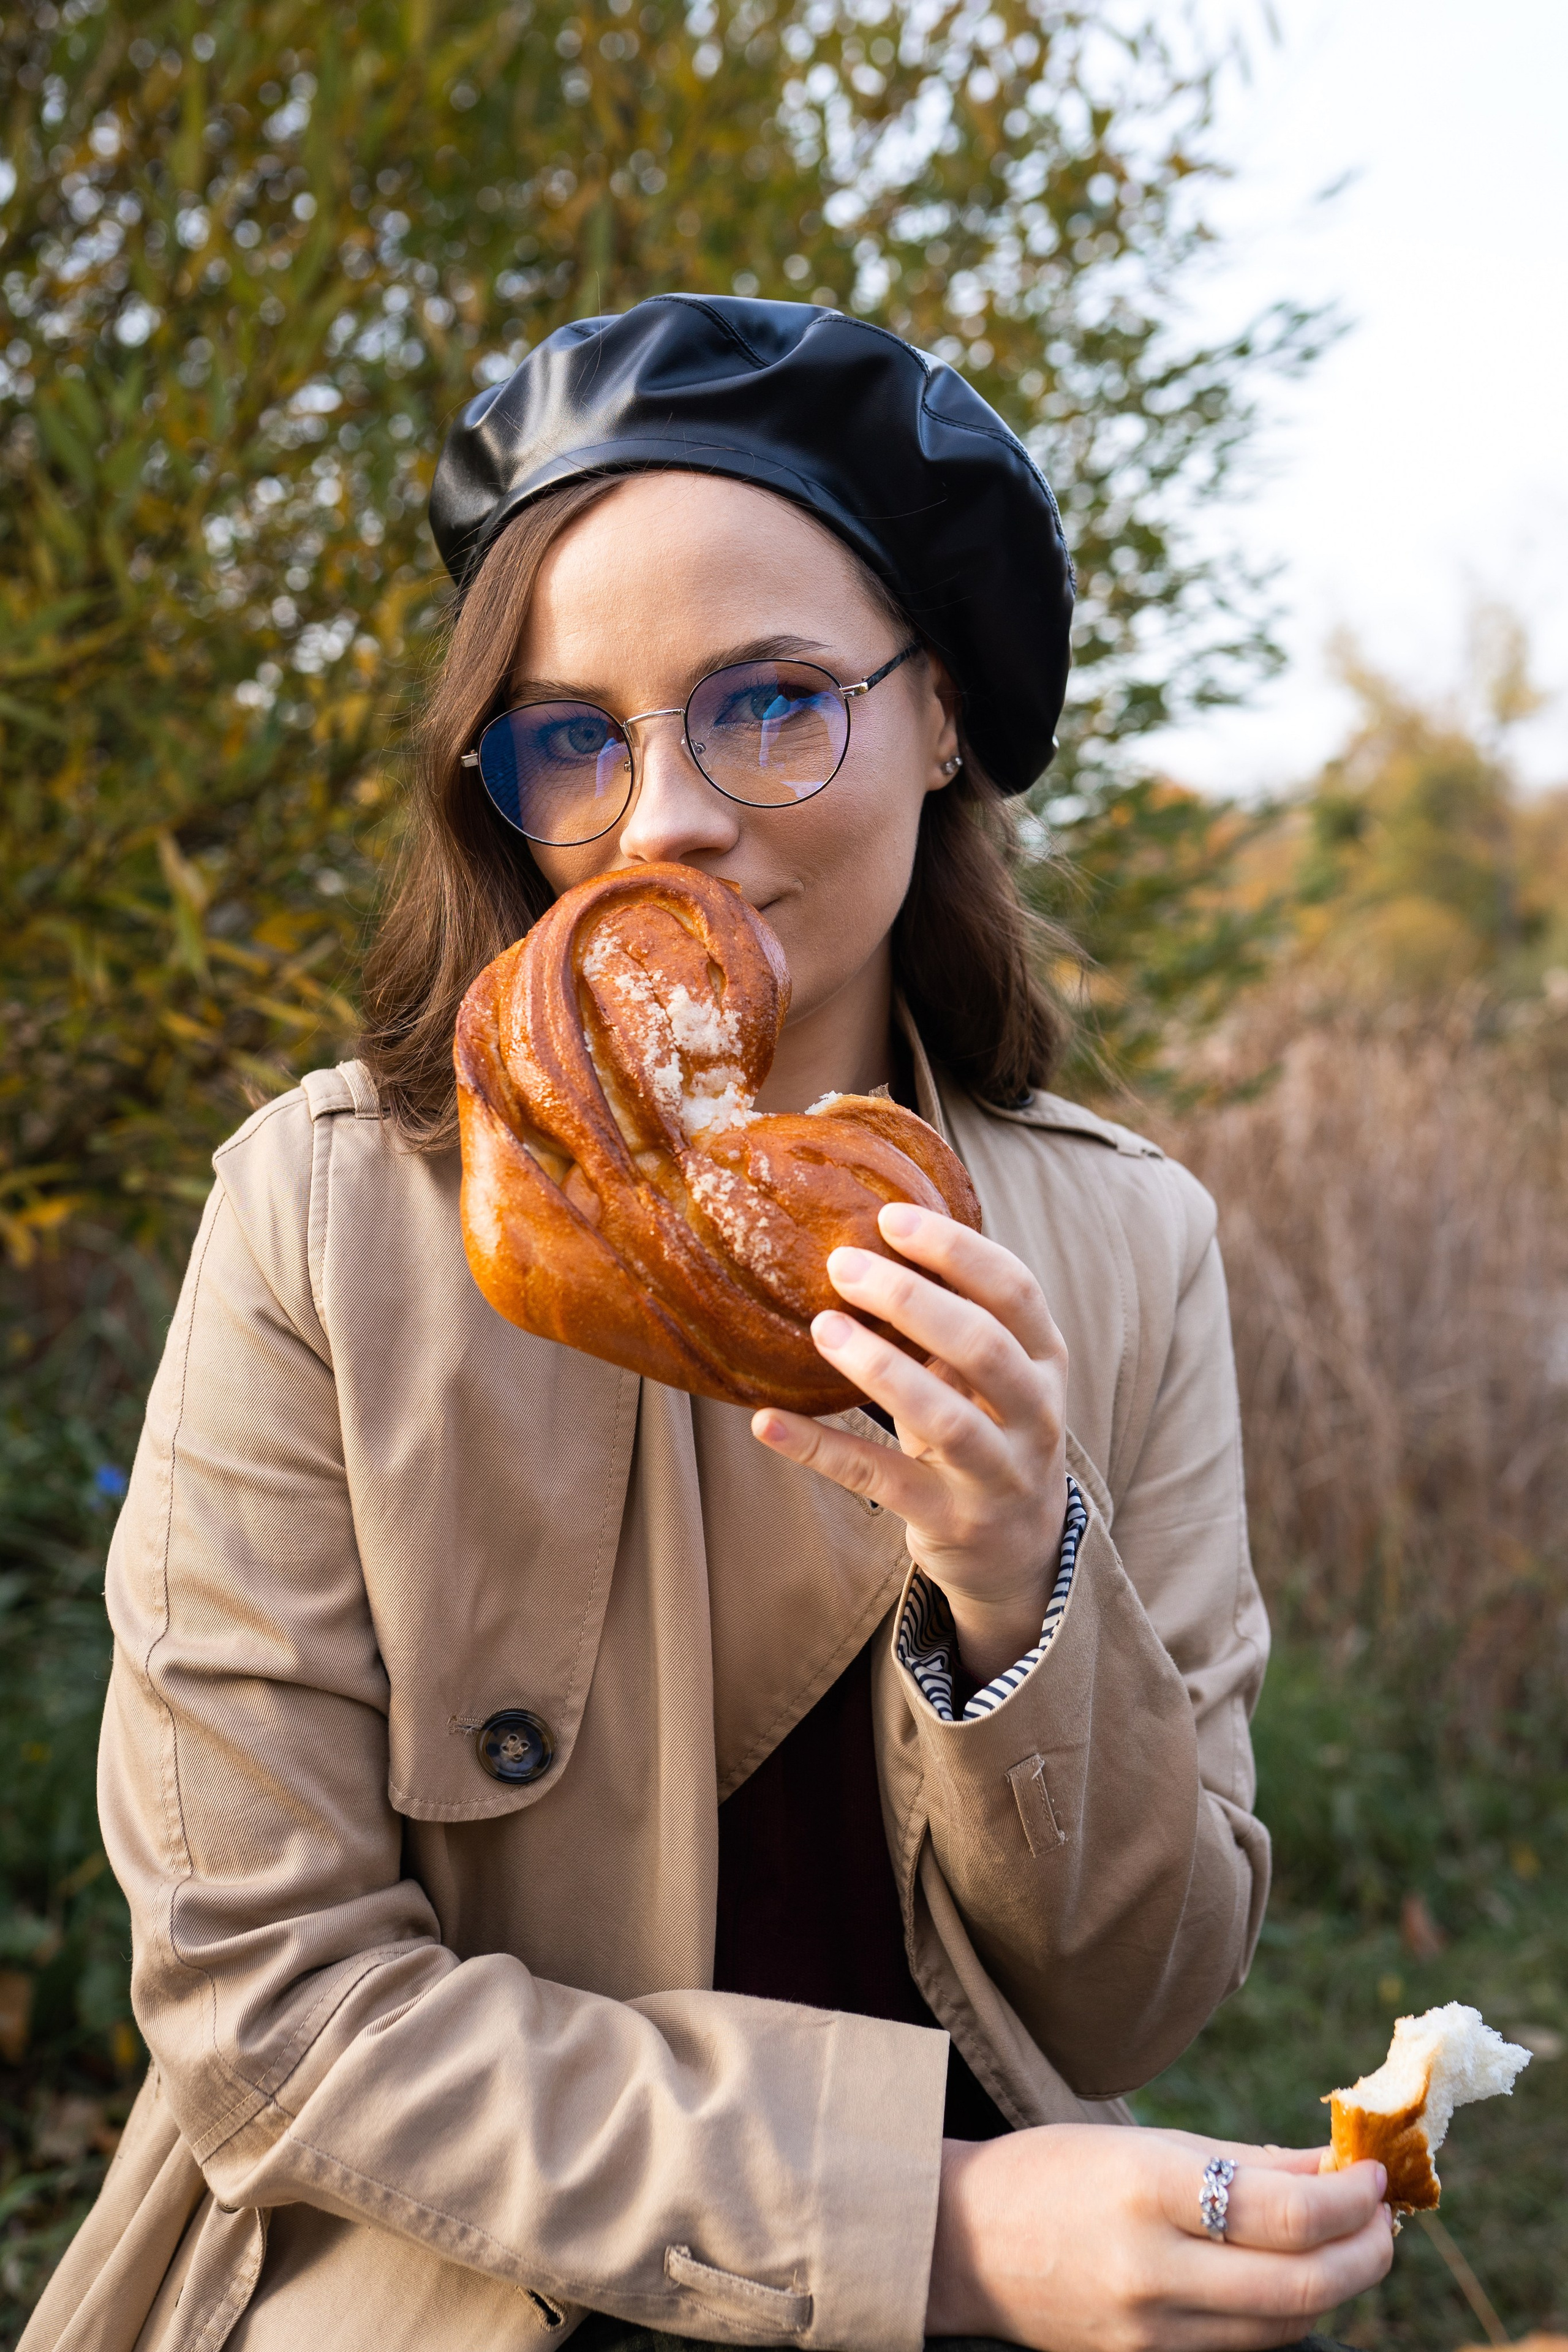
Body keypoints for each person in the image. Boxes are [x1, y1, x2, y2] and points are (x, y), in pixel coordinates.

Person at [23, 297, 1392, 2352]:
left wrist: (1022, 1579)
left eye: (768, 703)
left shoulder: (1125, 1246)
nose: (662, 814)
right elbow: (263, 2003)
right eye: (576, 733)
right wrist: (923, 2232)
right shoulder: (324, 1219)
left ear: (941, 716)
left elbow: (1137, 1996)